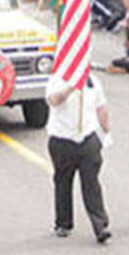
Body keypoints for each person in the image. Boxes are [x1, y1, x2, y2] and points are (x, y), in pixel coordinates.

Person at [46, 74, 111, 243]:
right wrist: (70, 88)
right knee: (63, 181)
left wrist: (106, 131)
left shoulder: (93, 81)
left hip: (87, 138)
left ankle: (100, 226)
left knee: (91, 182)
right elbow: (54, 100)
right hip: (62, 138)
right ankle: (63, 223)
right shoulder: (56, 80)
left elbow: (101, 107)